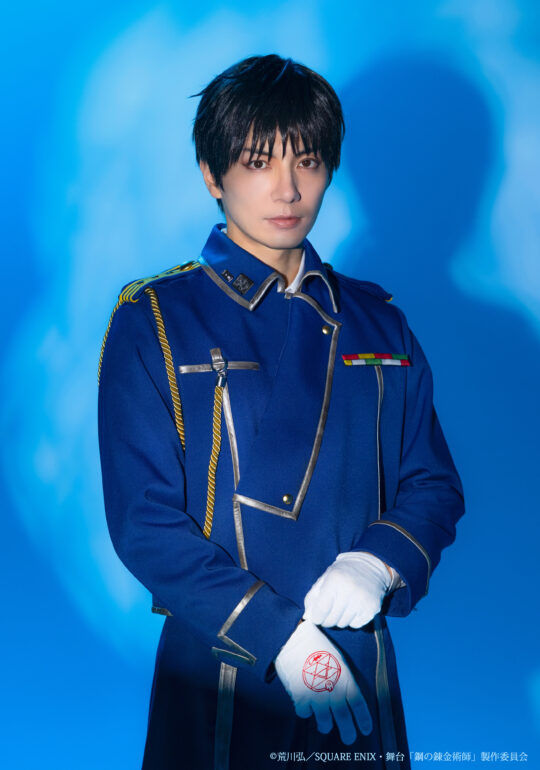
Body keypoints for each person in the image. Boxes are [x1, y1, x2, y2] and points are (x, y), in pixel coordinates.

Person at [97, 54, 464, 770]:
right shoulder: (156, 319)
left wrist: (378, 562)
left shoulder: (379, 323)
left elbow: (433, 483)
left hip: (356, 661)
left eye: (309, 161)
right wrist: (277, 636)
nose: (288, 189)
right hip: (217, 666)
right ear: (212, 174)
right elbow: (144, 523)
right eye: (259, 162)